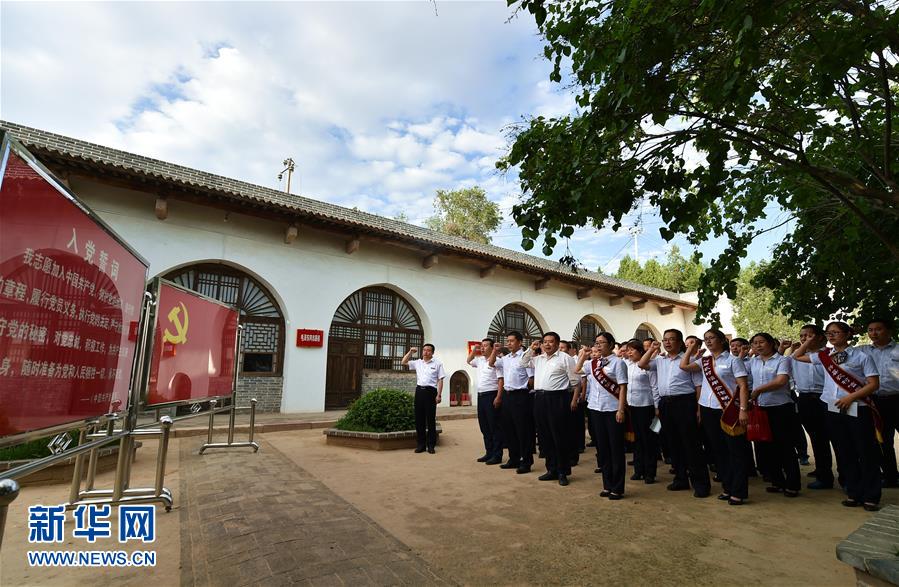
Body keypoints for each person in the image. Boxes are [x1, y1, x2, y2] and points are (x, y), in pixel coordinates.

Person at [793, 322, 882, 510]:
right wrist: (808, 341)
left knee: (864, 451)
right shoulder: (825, 356)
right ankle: (854, 492)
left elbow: (873, 384)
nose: (831, 336)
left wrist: (851, 397)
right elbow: (797, 356)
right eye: (828, 333)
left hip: (858, 407)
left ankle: (871, 495)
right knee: (844, 450)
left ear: (848, 334)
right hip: (832, 407)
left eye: (836, 332)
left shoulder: (862, 356)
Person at [680, 330, 751, 505]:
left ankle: (739, 491)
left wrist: (743, 409)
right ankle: (728, 487)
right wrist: (691, 347)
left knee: (736, 451)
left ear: (722, 340)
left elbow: (742, 386)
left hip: (728, 410)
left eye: (712, 338)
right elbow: (684, 366)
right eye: (706, 339)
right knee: (718, 450)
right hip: (707, 408)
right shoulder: (704, 361)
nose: (709, 341)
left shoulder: (733, 360)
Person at [638, 329, 711, 498]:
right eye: (665, 340)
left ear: (680, 342)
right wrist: (651, 349)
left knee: (691, 444)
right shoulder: (660, 360)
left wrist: (699, 408)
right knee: (673, 443)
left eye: (671, 339)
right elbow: (641, 364)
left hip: (685, 403)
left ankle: (700, 483)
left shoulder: (691, 360)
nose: (668, 342)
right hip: (666, 404)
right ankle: (680, 478)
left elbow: (698, 386)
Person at [575, 333, 628, 498]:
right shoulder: (593, 363)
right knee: (603, 449)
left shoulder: (618, 363)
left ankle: (617, 488)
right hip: (595, 409)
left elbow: (622, 387)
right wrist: (583, 355)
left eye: (602, 343)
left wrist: (621, 409)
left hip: (612, 410)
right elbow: (576, 370)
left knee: (616, 449)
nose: (598, 346)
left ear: (611, 344)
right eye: (596, 342)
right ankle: (607, 485)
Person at [748, 333, 801, 497]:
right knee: (768, 447)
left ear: (771, 343)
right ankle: (777, 481)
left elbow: (781, 381)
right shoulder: (753, 361)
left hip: (781, 408)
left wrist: (758, 390)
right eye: (755, 343)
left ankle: (793, 484)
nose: (758, 345)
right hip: (761, 408)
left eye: (761, 342)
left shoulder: (782, 360)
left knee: (785, 447)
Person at [521, 332, 576, 486]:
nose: (547, 344)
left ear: (557, 343)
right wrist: (531, 349)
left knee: (559, 436)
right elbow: (523, 363)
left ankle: (563, 471)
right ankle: (551, 469)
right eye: (544, 342)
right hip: (539, 399)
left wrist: (569, 398)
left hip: (557, 398)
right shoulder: (538, 359)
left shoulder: (565, 358)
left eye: (551, 342)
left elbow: (575, 380)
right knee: (545, 437)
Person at [789, 324, 836, 489]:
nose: (804, 339)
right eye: (802, 336)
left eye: (809, 336)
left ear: (820, 337)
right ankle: (823, 473)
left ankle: (846, 476)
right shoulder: (798, 356)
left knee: (836, 437)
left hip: (827, 399)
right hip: (805, 399)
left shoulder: (831, 354)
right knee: (816, 438)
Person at [859, 319, 899, 488]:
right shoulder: (863, 351)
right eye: (870, 330)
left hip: (897, 398)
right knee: (882, 440)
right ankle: (890, 476)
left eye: (878, 329)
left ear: (889, 331)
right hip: (875, 401)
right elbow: (838, 351)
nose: (874, 333)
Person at [491, 331, 535, 474]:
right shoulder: (506, 358)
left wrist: (523, 393)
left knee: (523, 431)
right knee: (509, 430)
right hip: (507, 396)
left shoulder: (525, 357)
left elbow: (531, 379)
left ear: (520, 342)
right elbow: (491, 363)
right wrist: (495, 350)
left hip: (521, 396)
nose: (508, 343)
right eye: (507, 341)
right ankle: (513, 459)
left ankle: (526, 462)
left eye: (511, 341)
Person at [624, 339, 660, 484]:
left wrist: (657, 407)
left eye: (632, 350)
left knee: (648, 440)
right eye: (628, 350)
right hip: (632, 406)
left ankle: (650, 472)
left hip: (647, 406)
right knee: (637, 439)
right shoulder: (627, 365)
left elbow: (655, 387)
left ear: (640, 351)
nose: (629, 352)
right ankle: (639, 470)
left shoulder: (648, 365)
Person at [402, 344, 445, 454]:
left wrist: (439, 395)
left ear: (432, 353)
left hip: (431, 392)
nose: (426, 352)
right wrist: (411, 352)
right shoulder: (418, 363)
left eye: (428, 350)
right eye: (424, 350)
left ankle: (431, 445)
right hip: (419, 391)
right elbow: (403, 362)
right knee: (419, 419)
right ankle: (421, 445)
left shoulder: (437, 364)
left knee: (430, 419)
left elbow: (440, 380)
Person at [468, 338, 503, 465]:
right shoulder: (479, 361)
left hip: (491, 395)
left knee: (494, 426)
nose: (482, 348)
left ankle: (497, 455)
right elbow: (468, 361)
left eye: (485, 346)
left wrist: (498, 397)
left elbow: (500, 380)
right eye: (481, 346)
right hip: (481, 395)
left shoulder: (497, 361)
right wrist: (474, 350)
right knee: (484, 426)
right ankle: (489, 453)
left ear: (493, 347)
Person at [561, 340, 587, 464]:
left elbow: (580, 382)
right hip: (560, 396)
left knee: (573, 426)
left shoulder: (575, 361)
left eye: (562, 348)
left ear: (570, 349)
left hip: (572, 394)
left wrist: (577, 398)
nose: (560, 350)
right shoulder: (556, 360)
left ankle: (575, 452)